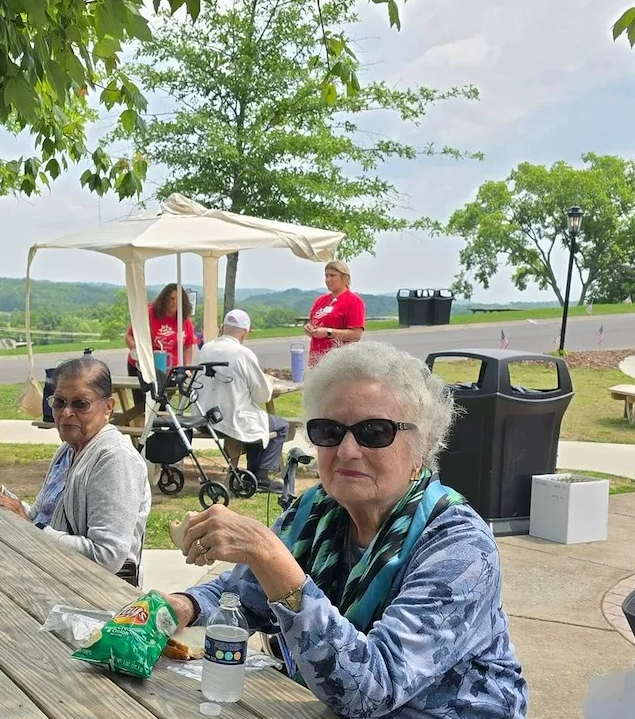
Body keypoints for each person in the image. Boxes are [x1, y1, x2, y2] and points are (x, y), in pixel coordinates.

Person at [163, 342, 527, 717]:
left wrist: (269, 555)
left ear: (422, 446)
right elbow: (243, 594)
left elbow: (370, 690)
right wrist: (184, 605)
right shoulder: (316, 511)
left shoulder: (459, 547)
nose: (347, 450)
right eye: (329, 431)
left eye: (375, 432)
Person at [0, 356, 152, 586]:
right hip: (53, 576)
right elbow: (42, 516)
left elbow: (107, 557)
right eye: (59, 402)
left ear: (108, 407)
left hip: (95, 593)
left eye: (80, 404)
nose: (66, 413)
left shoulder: (116, 459)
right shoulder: (69, 449)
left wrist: (32, 528)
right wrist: (1, 495)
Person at [194, 309, 291, 492]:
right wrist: (268, 381)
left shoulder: (206, 349)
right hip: (231, 420)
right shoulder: (243, 353)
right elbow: (262, 396)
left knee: (259, 421)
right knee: (280, 426)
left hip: (203, 419)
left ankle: (252, 474)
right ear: (245, 332)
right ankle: (260, 476)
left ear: (222, 328)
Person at [125, 283, 198, 395]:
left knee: (163, 401)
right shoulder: (149, 314)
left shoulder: (184, 320)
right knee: (144, 402)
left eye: (178, 299)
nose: (174, 302)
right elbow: (129, 336)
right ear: (164, 299)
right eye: (171, 298)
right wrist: (135, 349)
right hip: (143, 367)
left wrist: (187, 368)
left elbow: (187, 346)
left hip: (170, 369)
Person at [304, 260, 365, 365]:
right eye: (326, 276)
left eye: (333, 275)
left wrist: (328, 332)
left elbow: (356, 335)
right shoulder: (320, 301)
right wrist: (309, 329)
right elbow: (313, 323)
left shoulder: (354, 301)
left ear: (344, 277)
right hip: (316, 361)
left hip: (339, 363)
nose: (328, 279)